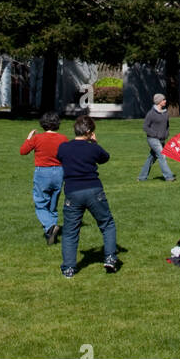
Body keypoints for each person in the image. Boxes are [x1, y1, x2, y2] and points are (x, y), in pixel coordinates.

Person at [57, 116, 118, 278]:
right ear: (89, 133)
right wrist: (95, 143)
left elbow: (60, 157)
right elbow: (105, 157)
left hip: (72, 192)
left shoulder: (63, 148)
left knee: (70, 231)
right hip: (93, 190)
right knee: (107, 223)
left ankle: (69, 268)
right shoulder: (93, 148)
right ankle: (110, 257)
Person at [19, 110, 65, 244]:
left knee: (40, 202)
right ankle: (51, 230)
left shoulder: (37, 138)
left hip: (43, 172)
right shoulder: (63, 138)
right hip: (59, 172)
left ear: (43, 124)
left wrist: (28, 138)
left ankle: (50, 226)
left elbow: (23, 151)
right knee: (53, 202)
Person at [138, 93, 175, 182]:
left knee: (151, 158)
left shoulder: (165, 113)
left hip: (162, 139)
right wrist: (154, 134)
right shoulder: (151, 113)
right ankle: (169, 177)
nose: (165, 101)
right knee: (162, 156)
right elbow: (145, 127)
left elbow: (167, 125)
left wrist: (166, 133)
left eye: (165, 99)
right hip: (152, 139)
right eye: (163, 100)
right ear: (158, 101)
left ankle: (142, 177)